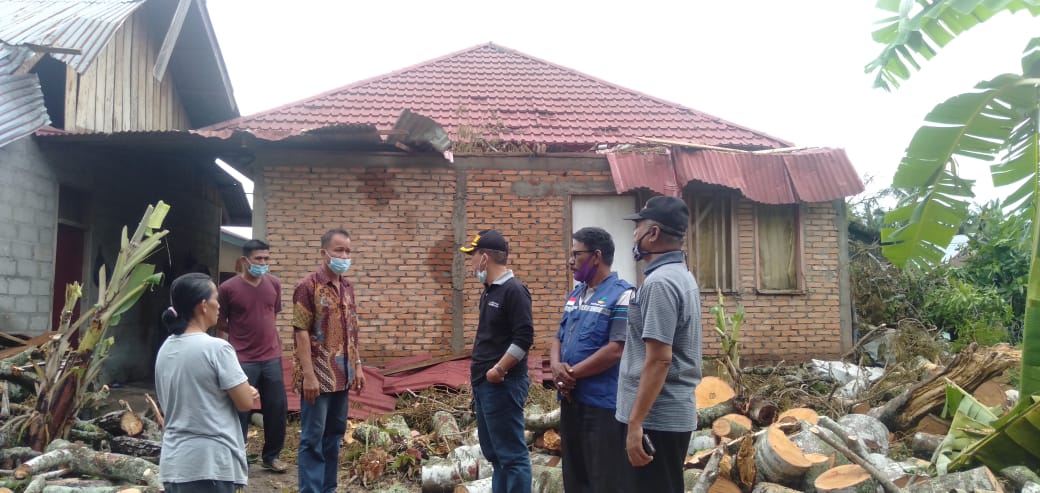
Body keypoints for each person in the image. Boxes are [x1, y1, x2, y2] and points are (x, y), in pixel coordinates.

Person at [616, 196, 702, 493]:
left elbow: (660, 359)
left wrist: (635, 422)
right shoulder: (680, 275)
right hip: (662, 416)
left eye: (638, 227)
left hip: (656, 419)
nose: (634, 234)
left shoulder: (660, 284)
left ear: (652, 233)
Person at [155, 273, 259, 493]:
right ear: (203, 305)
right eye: (216, 298)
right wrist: (247, 391)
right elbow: (245, 403)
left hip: (174, 463)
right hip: (209, 463)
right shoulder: (217, 348)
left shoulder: (166, 348)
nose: (219, 305)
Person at [550, 227, 634, 493]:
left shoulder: (623, 295)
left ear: (596, 256)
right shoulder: (575, 295)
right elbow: (558, 338)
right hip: (571, 400)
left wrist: (570, 374)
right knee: (574, 478)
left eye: (576, 254)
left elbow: (616, 349)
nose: (570, 261)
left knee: (603, 480)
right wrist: (556, 367)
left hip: (602, 407)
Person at [292, 228, 366, 493]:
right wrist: (308, 375)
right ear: (324, 253)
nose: (344, 256)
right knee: (312, 438)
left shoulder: (347, 287)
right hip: (318, 377)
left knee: (334, 436)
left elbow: (352, 330)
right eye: (339, 250)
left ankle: (328, 488)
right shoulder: (307, 286)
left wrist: (358, 366)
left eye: (348, 251)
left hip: (342, 376)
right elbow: (300, 332)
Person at [460, 229, 534, 493]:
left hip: (503, 385)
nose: (471, 263)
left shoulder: (514, 291)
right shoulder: (489, 291)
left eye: (473, 256)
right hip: (485, 385)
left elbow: (524, 338)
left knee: (512, 456)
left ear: (485, 258)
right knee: (495, 455)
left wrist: (499, 369)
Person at [216, 239, 288, 473]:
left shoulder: (274, 284)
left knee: (276, 408)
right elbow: (220, 321)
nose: (263, 263)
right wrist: (236, 336)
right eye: (258, 259)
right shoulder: (228, 288)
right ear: (245, 260)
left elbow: (272, 314)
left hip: (271, 357)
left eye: (266, 258)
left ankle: (272, 456)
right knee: (240, 410)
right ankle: (238, 457)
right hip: (242, 359)